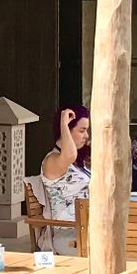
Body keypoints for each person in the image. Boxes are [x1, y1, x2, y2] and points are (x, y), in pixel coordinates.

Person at [34, 105, 92, 254]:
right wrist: (64, 124)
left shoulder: (78, 163)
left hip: (88, 228)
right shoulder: (52, 161)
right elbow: (70, 155)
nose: (86, 136)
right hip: (68, 233)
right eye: (82, 130)